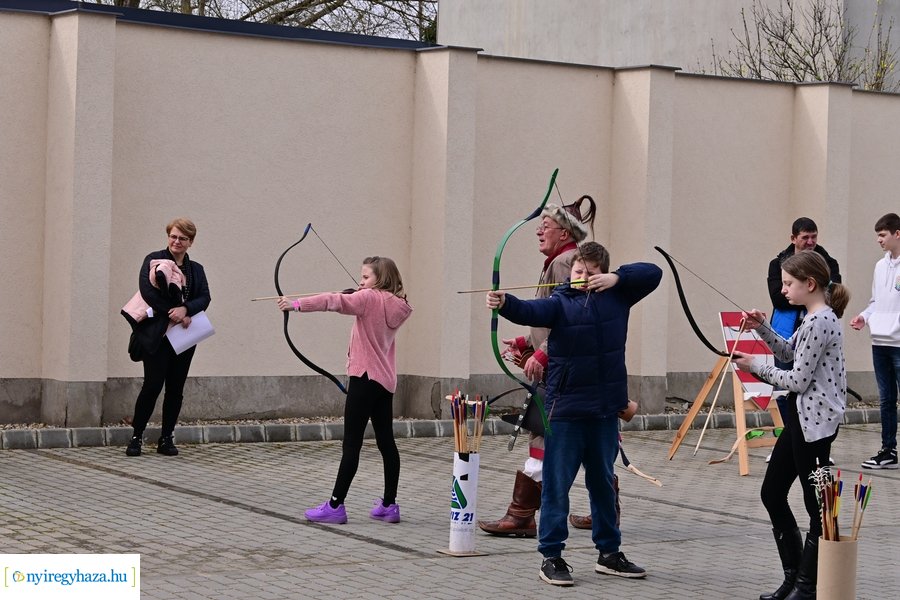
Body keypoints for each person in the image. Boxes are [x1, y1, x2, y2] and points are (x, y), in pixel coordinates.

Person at [486, 242, 661, 587]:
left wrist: (616, 279)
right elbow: (530, 311)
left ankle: (609, 554)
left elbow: (653, 273)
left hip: (604, 409)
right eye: (578, 272)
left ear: (603, 274)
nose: (582, 277)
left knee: (603, 484)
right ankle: (552, 555)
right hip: (565, 411)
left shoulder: (618, 297)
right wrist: (504, 303)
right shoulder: (560, 303)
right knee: (556, 487)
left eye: (591, 273)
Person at [478, 196, 599, 537]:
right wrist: (526, 343)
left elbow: (573, 320)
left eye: (545, 226)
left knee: (549, 434)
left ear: (565, 233)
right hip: (562, 367)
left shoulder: (565, 264)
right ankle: (602, 509)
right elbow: (548, 317)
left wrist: (543, 353)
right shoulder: (560, 261)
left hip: (566, 370)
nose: (538, 232)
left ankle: (522, 516)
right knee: (574, 438)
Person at [733, 251, 850, 600]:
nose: (783, 290)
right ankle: (795, 578)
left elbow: (797, 379)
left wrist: (755, 365)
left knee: (818, 508)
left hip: (815, 426)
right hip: (801, 419)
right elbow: (787, 353)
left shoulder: (820, 321)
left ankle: (807, 587)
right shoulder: (811, 318)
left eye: (788, 283)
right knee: (772, 493)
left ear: (809, 284)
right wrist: (762, 329)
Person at [277, 256, 412, 524]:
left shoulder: (368, 299)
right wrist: (359, 294)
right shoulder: (399, 304)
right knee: (386, 442)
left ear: (380, 279)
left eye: (365, 277)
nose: (361, 282)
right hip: (384, 382)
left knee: (351, 444)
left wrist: (295, 305)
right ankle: (389, 504)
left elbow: (333, 301)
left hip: (363, 378)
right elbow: (358, 302)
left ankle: (336, 506)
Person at [125, 218, 211, 457]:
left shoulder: (196, 270)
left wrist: (186, 310)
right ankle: (136, 437)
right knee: (152, 386)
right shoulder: (154, 259)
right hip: (158, 335)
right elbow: (147, 292)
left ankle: (166, 438)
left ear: (190, 242)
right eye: (173, 236)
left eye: (183, 238)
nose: (177, 241)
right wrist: (172, 313)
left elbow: (204, 297)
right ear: (168, 237)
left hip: (183, 337)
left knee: (176, 388)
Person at [850, 212, 900, 470]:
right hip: (879, 342)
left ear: (897, 234)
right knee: (886, 399)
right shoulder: (880, 267)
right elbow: (876, 302)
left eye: (882, 235)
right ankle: (888, 450)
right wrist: (864, 317)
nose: (879, 240)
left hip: (899, 344)